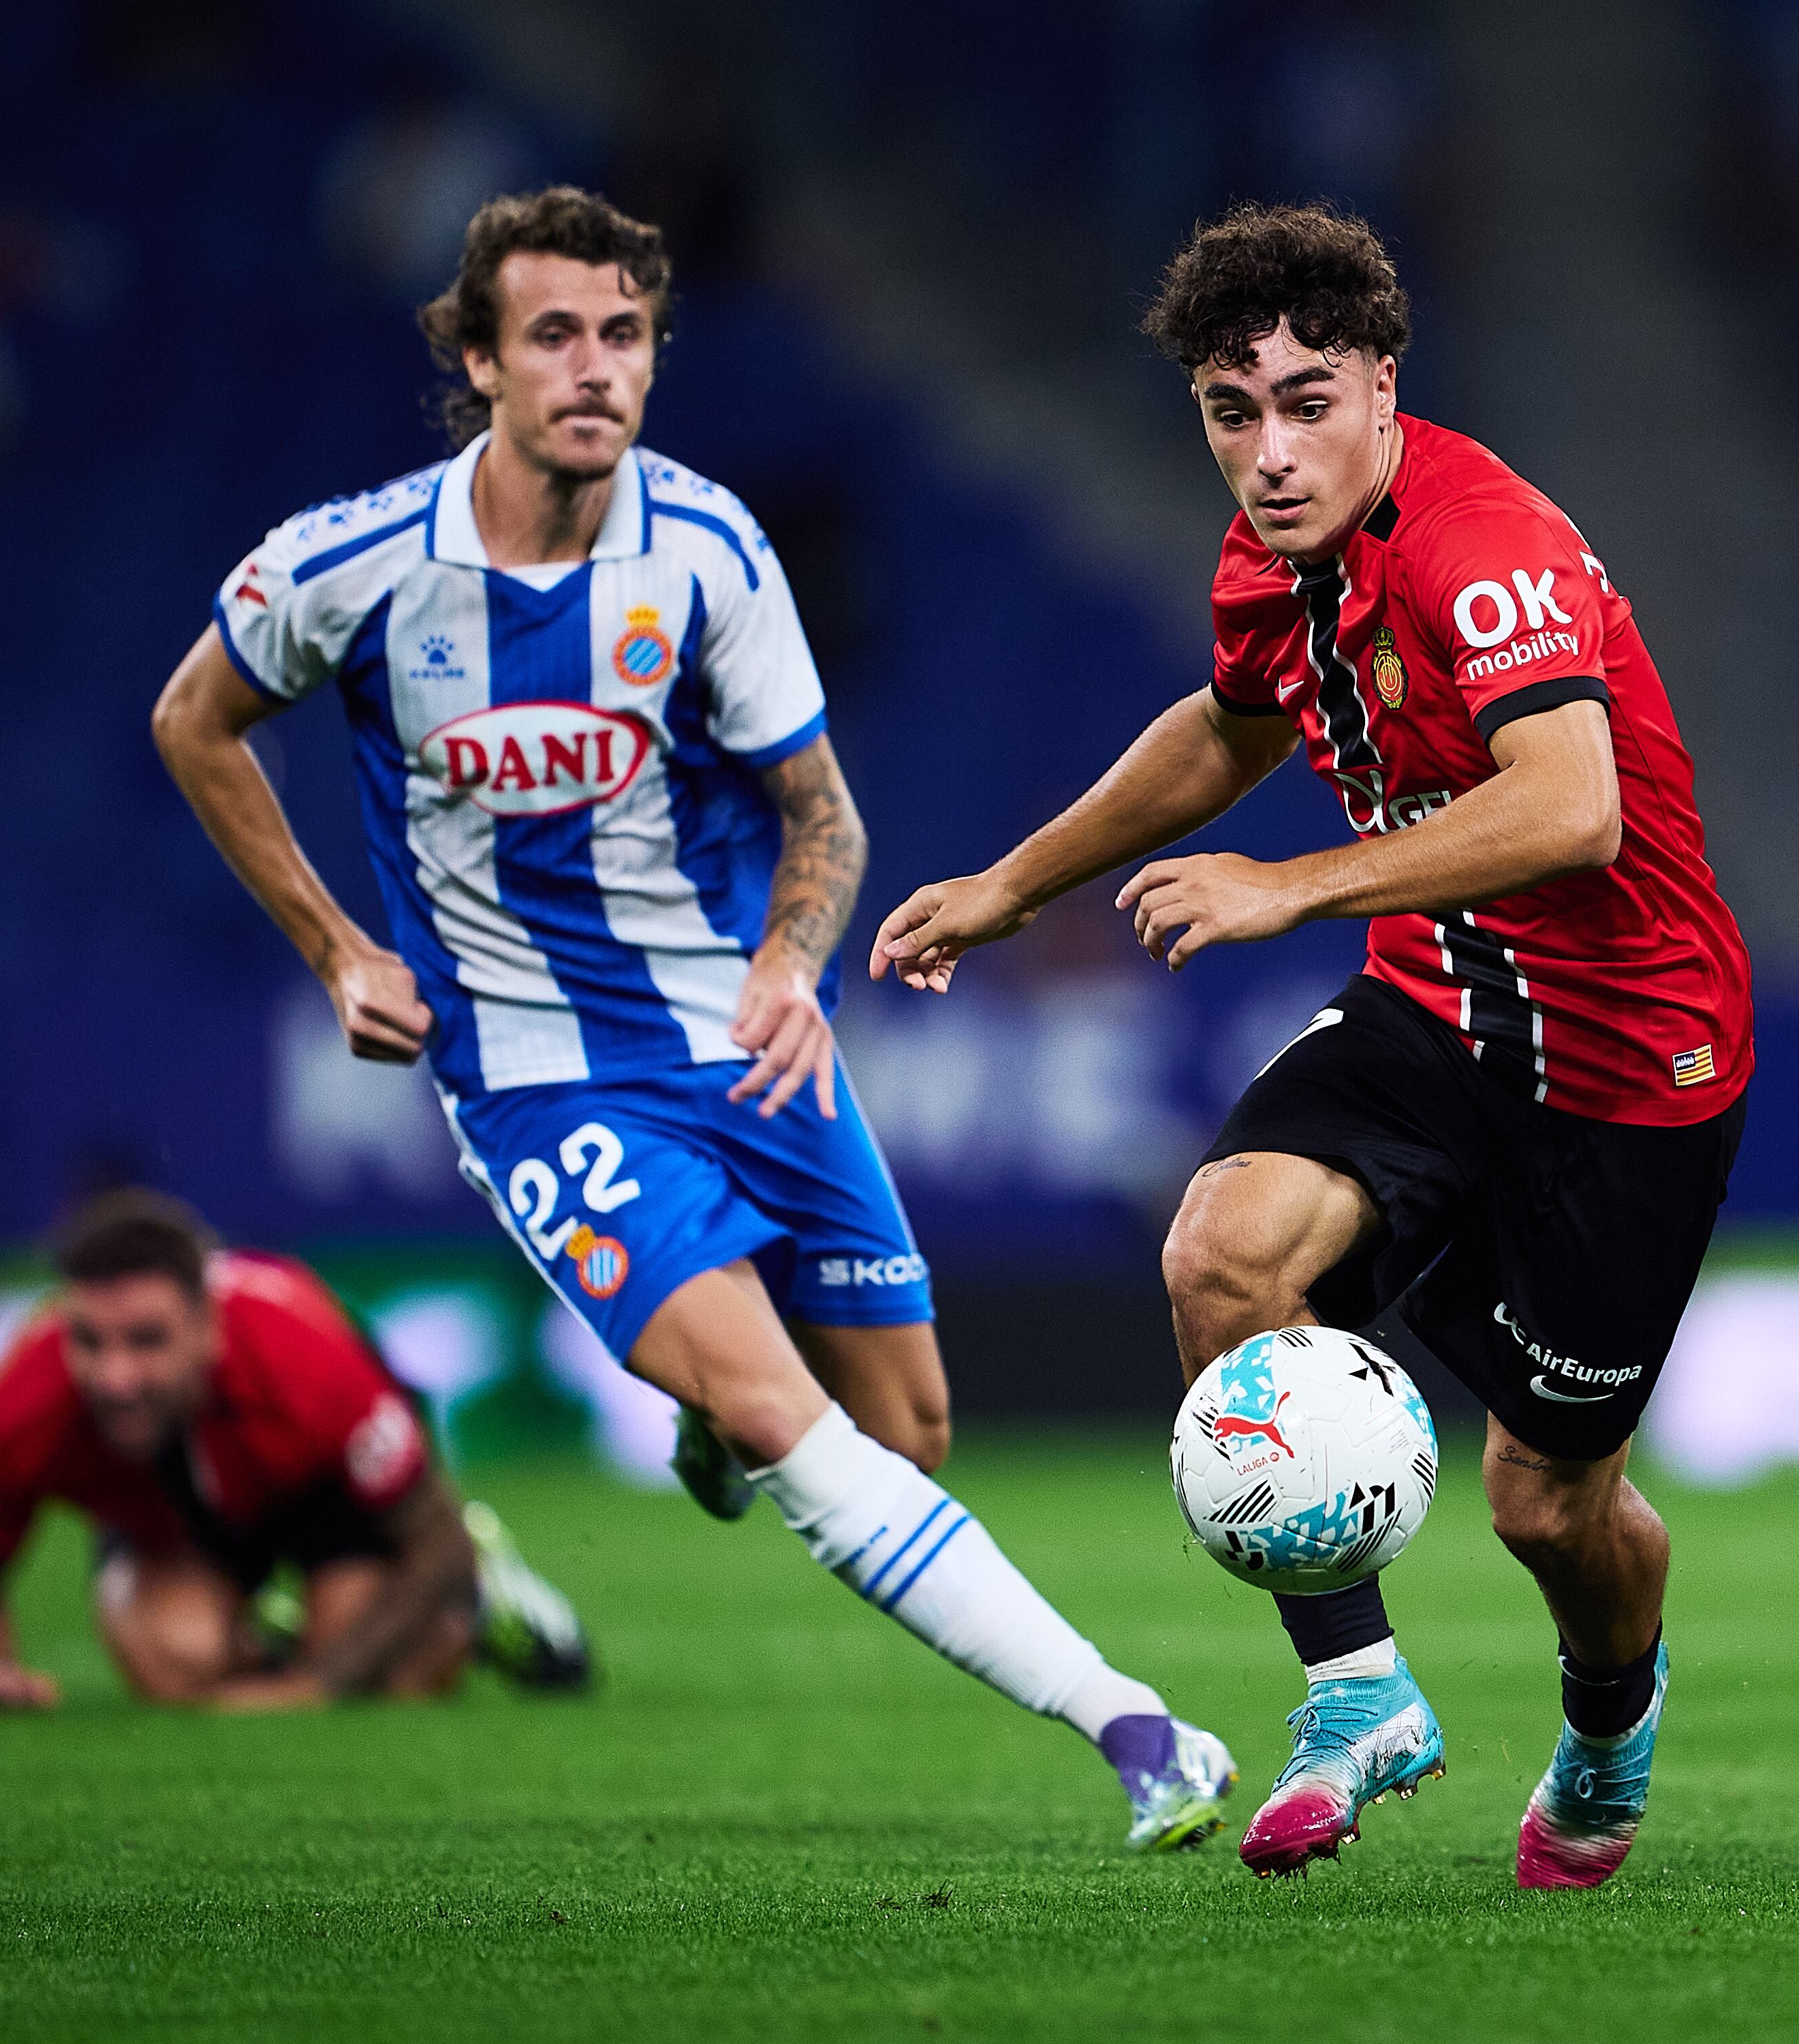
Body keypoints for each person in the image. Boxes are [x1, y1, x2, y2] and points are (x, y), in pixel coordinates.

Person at [148, 186, 1232, 1846]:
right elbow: (196, 719)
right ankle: (1135, 1726)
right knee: (782, 1414)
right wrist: (331, 945)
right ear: (477, 359)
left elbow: (825, 816)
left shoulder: (707, 548)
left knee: (909, 1428)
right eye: (554, 335)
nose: (594, 369)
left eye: (625, 336)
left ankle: (708, 1422)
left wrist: (792, 960)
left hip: (738, 1034)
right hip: (528, 1072)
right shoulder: (353, 565)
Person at [872, 203, 1754, 1885]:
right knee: (1220, 1255)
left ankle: (1605, 1723)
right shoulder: (1269, 551)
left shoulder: (1476, 544)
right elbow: (1227, 725)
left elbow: (1572, 808)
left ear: (1380, 389)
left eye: (1303, 399)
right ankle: (1355, 1692)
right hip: (1437, 996)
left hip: (1632, 1059)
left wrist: (1291, 885)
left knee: (1544, 1506)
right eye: (1228, 409)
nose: (1267, 451)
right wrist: (1009, 884)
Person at [0, 1190, 586, 1709]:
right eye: (89, 1341)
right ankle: (272, 1635)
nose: (114, 1378)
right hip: (166, 1525)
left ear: (208, 1328)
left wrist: (316, 1687)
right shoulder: (18, 1405)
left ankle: (478, 1605)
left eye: (147, 1340)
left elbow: (439, 1545)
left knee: (402, 1675)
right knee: (174, 1667)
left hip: (318, 1496)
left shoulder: (308, 1362)